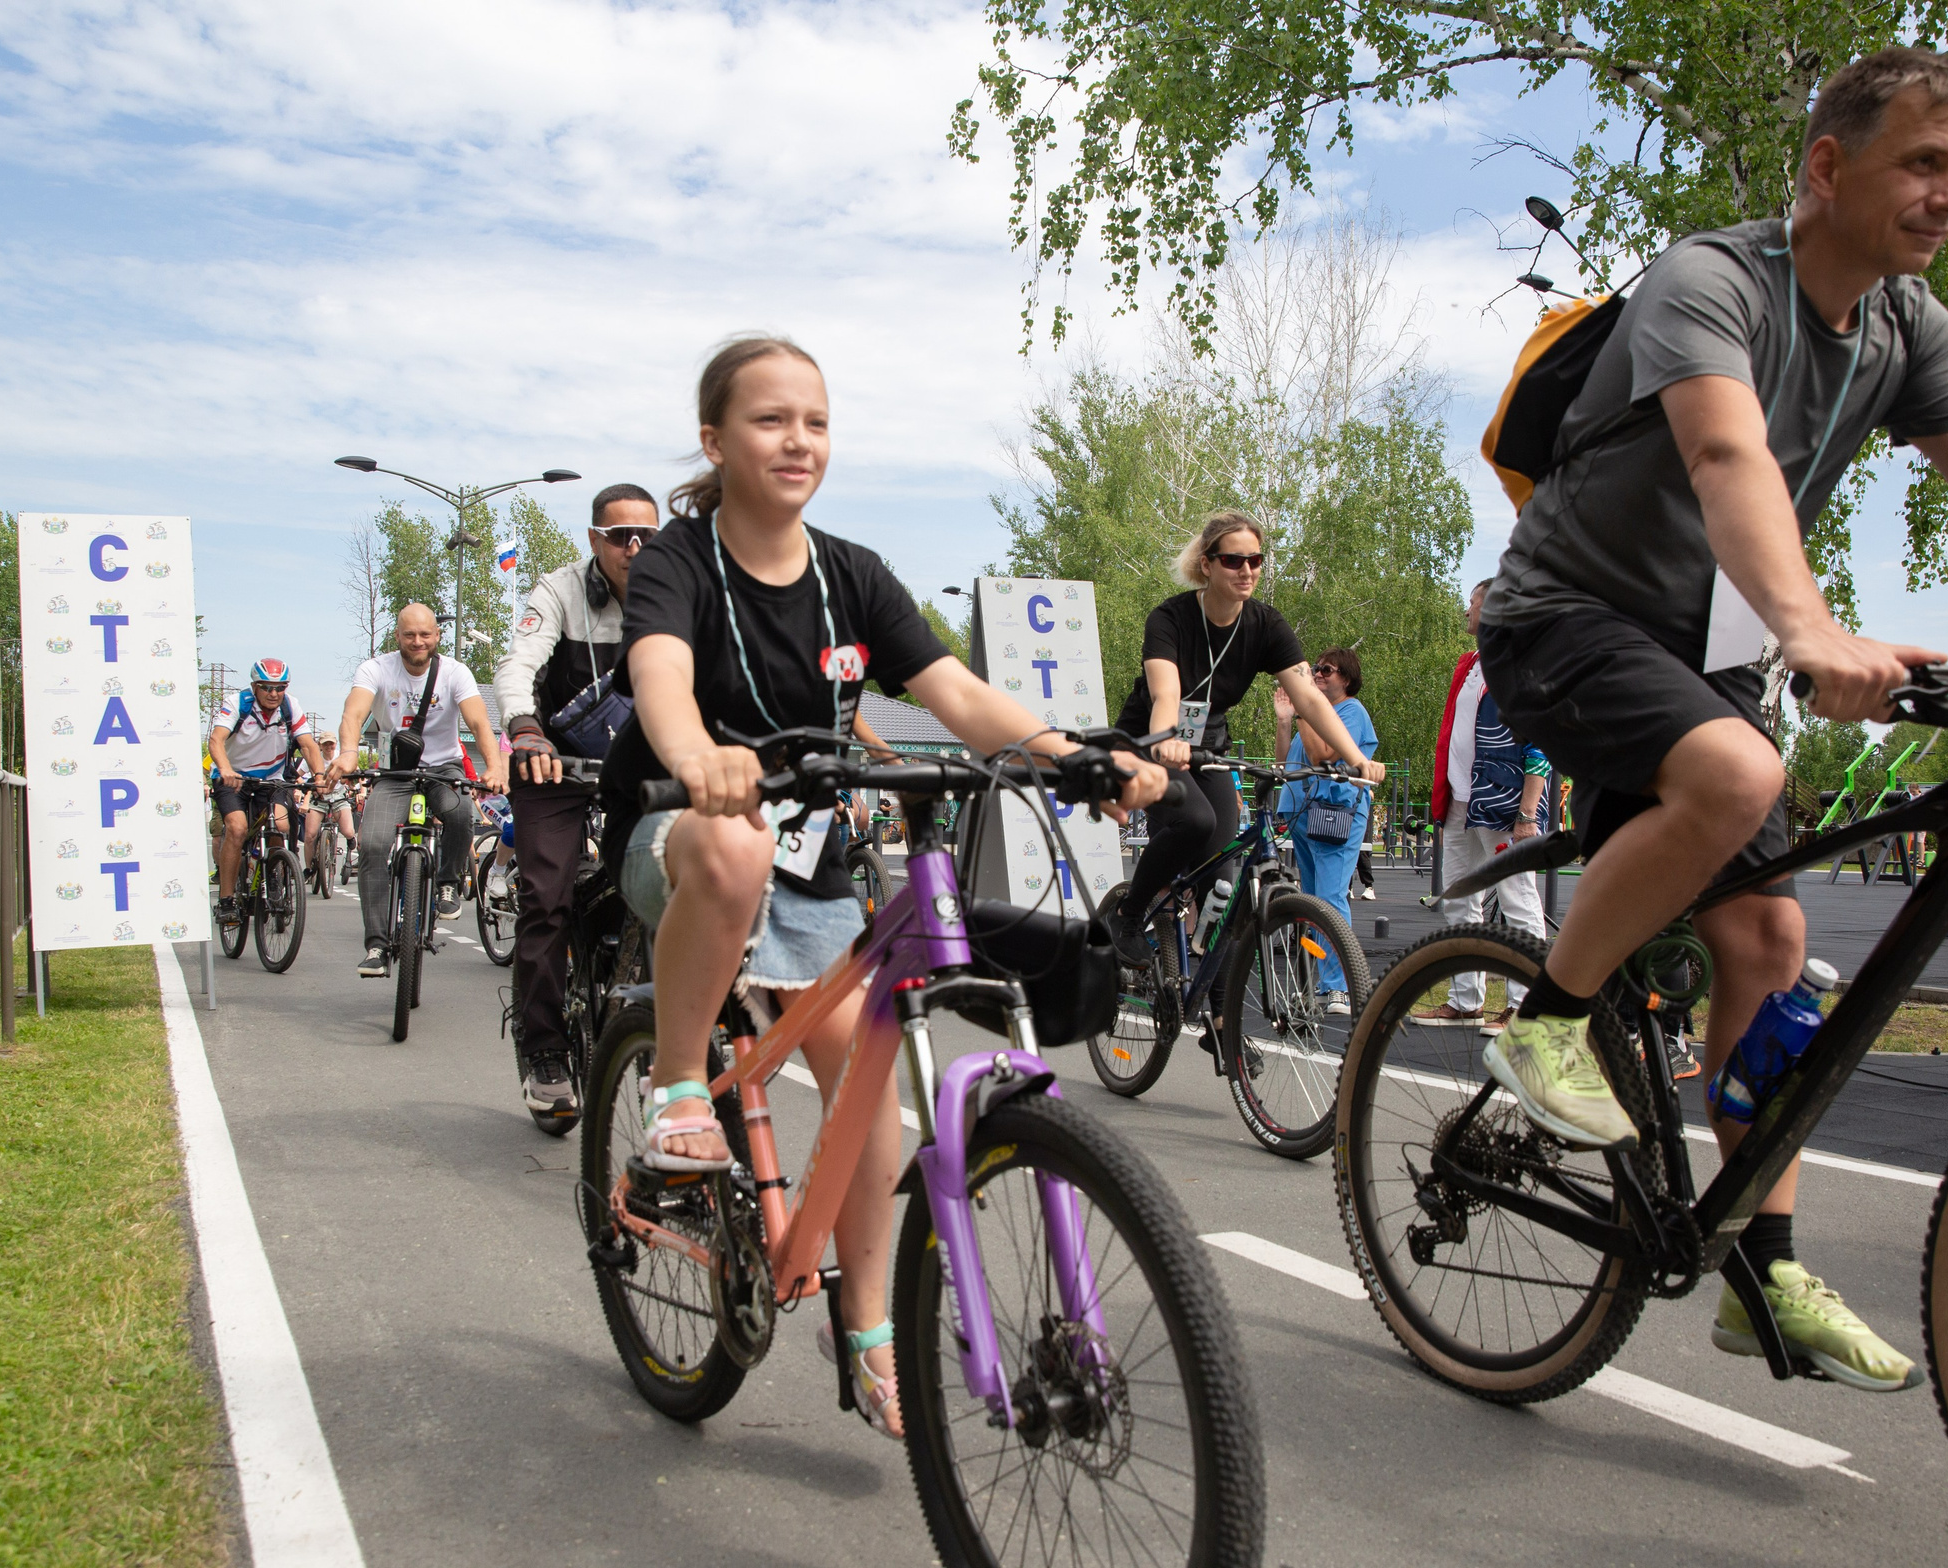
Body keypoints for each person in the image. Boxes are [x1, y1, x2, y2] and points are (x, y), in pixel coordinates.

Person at [1472, 47, 1948, 1392]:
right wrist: (1813, 629)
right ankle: (1547, 1014)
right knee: (1735, 769)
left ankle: (1760, 1272)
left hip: (1709, 648)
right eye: (1923, 165)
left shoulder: (1905, 327)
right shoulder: (1712, 281)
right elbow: (1726, 454)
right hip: (1566, 621)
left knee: (1767, 932)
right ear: (1830, 167)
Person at [599, 335, 1162, 1438]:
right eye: (769, 420)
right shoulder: (677, 559)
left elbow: (953, 693)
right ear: (715, 440)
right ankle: (675, 1089)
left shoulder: (851, 573)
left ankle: (862, 1328)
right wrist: (697, 757)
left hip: (809, 867)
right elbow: (659, 672)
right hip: (686, 833)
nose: (796, 439)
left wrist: (1074, 757)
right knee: (736, 846)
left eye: (813, 419)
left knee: (875, 1101)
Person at [1107, 511, 1384, 959]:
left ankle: (1218, 1017)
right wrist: (1166, 739)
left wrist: (1356, 758)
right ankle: (1130, 914)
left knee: (1223, 885)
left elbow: (1311, 701)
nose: (1248, 571)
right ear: (1207, 564)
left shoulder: (1265, 624)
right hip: (1149, 741)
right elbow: (1165, 693)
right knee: (1195, 821)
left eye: (1256, 560)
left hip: (1209, 743)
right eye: (1235, 561)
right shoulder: (1170, 618)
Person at [495, 481, 651, 1128]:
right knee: (547, 899)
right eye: (620, 536)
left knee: (678, 883)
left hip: (633, 769)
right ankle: (545, 1051)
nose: (635, 547)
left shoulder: (672, 592)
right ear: (595, 540)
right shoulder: (557, 591)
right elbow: (515, 667)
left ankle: (661, 1039)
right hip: (552, 765)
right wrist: (526, 730)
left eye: (649, 535)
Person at [331, 604, 507, 977]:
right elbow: (353, 713)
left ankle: (446, 884)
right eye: (410, 635)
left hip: (444, 767)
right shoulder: (376, 669)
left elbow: (477, 719)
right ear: (398, 636)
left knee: (459, 811)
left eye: (425, 634)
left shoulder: (455, 673)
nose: (418, 641)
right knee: (374, 844)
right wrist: (348, 753)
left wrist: (494, 766)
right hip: (395, 771)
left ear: (437, 636)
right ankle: (377, 944)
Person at [1426, 581, 1550, 1031]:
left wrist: (1527, 813)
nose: (1466, 612)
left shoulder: (1522, 666)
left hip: (1503, 806)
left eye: (1473, 604)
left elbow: (1540, 746)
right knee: (1459, 899)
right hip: (1462, 802)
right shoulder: (1472, 665)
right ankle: (1465, 1000)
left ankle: (1525, 1007)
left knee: (1517, 901)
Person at [1271, 646, 1378, 1015]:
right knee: (1313, 901)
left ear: (1345, 678)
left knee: (1330, 898)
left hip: (1335, 813)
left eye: (1326, 670)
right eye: (1315, 669)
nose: (1317, 674)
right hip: (1305, 812)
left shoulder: (1350, 712)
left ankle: (1341, 986)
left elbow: (1322, 756)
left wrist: (1302, 710)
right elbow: (1286, 761)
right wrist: (1286, 720)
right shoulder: (1315, 714)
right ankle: (1323, 982)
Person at [208, 659, 327, 922]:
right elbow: (216, 740)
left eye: (280, 687)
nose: (273, 694)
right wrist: (226, 769)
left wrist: (318, 776)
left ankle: (273, 873)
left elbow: (307, 745)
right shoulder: (236, 703)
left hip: (271, 779)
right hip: (233, 778)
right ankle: (226, 900)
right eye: (266, 687)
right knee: (237, 829)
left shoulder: (289, 705)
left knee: (281, 827)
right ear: (254, 686)